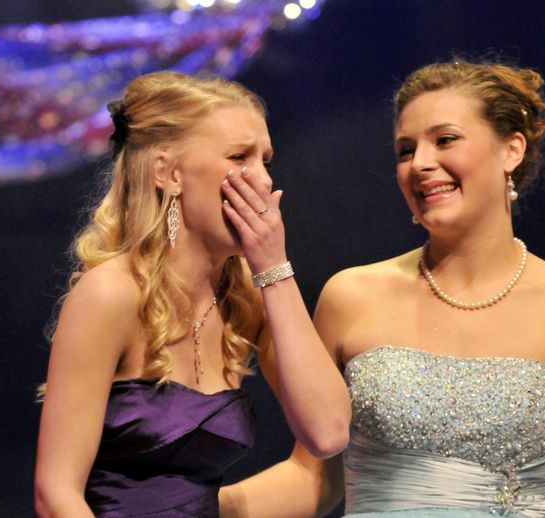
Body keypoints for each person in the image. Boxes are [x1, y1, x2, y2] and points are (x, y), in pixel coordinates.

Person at [221, 60, 545, 517]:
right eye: (405, 150)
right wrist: (180, 505)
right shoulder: (351, 296)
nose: (421, 164)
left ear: (511, 149)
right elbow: (313, 478)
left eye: (445, 140)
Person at [35, 71, 350, 517]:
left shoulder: (247, 298)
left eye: (267, 161)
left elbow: (329, 433)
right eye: (239, 157)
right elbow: (56, 493)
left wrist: (274, 272)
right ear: (169, 173)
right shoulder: (111, 294)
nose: (261, 180)